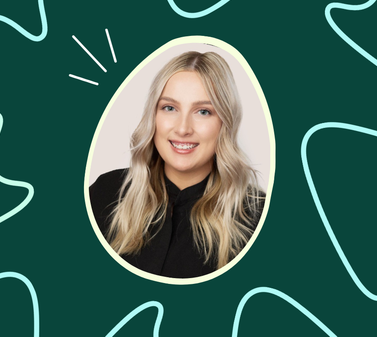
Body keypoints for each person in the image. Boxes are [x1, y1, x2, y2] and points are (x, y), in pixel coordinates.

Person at [89, 50, 265, 279]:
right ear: (153, 115)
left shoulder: (257, 217)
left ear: (225, 122)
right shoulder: (105, 192)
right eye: (169, 108)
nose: (183, 129)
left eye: (203, 112)